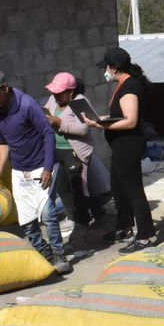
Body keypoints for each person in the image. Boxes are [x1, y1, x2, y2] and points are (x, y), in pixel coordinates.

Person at [0, 71, 71, 274]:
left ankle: (59, 255)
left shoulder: (26, 104)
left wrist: (47, 167)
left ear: (5, 88)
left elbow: (48, 134)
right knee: (27, 220)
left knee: (47, 213)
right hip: (20, 170)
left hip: (42, 165)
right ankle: (44, 254)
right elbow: (3, 143)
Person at [82, 47, 157, 253]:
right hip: (120, 145)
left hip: (129, 144)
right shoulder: (123, 84)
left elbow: (131, 121)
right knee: (118, 187)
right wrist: (105, 119)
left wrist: (100, 125)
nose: (104, 70)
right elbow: (122, 115)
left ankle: (146, 235)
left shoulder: (130, 87)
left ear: (114, 68)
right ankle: (124, 226)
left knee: (133, 189)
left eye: (106, 67)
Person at [43, 72, 108, 228]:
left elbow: (84, 128)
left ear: (70, 92)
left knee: (79, 187)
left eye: (59, 93)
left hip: (75, 151)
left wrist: (59, 124)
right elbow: (47, 113)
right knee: (63, 186)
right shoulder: (53, 99)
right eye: (54, 92)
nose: (55, 95)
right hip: (57, 150)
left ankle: (83, 220)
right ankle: (73, 216)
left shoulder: (80, 102)